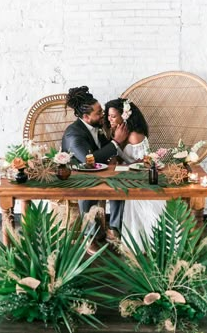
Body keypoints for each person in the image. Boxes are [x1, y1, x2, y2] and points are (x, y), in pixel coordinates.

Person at [62, 86, 128, 255]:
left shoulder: (96, 126)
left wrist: (113, 145)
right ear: (86, 116)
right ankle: (88, 237)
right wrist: (116, 143)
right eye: (99, 113)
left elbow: (102, 149)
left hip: (99, 172)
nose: (103, 116)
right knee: (88, 190)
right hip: (77, 175)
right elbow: (88, 161)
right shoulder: (73, 134)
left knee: (119, 185)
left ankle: (114, 229)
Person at [104, 98, 166, 251]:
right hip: (125, 176)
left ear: (125, 116)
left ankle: (116, 231)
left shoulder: (134, 136)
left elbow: (144, 164)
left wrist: (120, 164)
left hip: (140, 179)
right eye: (108, 115)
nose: (109, 119)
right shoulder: (117, 131)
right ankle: (112, 229)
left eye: (113, 116)